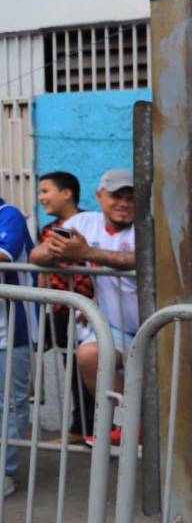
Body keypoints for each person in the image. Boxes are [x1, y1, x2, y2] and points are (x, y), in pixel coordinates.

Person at [31, 169, 138, 447]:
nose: (124, 203)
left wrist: (86, 253)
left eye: (130, 198)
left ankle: (151, 430)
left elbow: (138, 259)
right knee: (89, 355)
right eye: (116, 197)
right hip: (116, 329)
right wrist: (55, 251)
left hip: (159, 328)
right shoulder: (82, 222)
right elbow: (38, 254)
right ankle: (129, 427)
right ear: (100, 196)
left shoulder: (148, 227)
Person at [36, 171, 94, 441]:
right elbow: (43, 265)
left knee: (88, 372)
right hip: (59, 309)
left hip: (85, 311)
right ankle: (79, 428)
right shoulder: (48, 230)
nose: (41, 198)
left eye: (46, 191)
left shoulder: (86, 226)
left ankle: (89, 428)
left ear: (67, 193)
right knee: (69, 369)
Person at [0, 194, 36, 497]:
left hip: (10, 332)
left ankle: (5, 473)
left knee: (11, 404)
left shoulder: (8, 214)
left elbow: (4, 254)